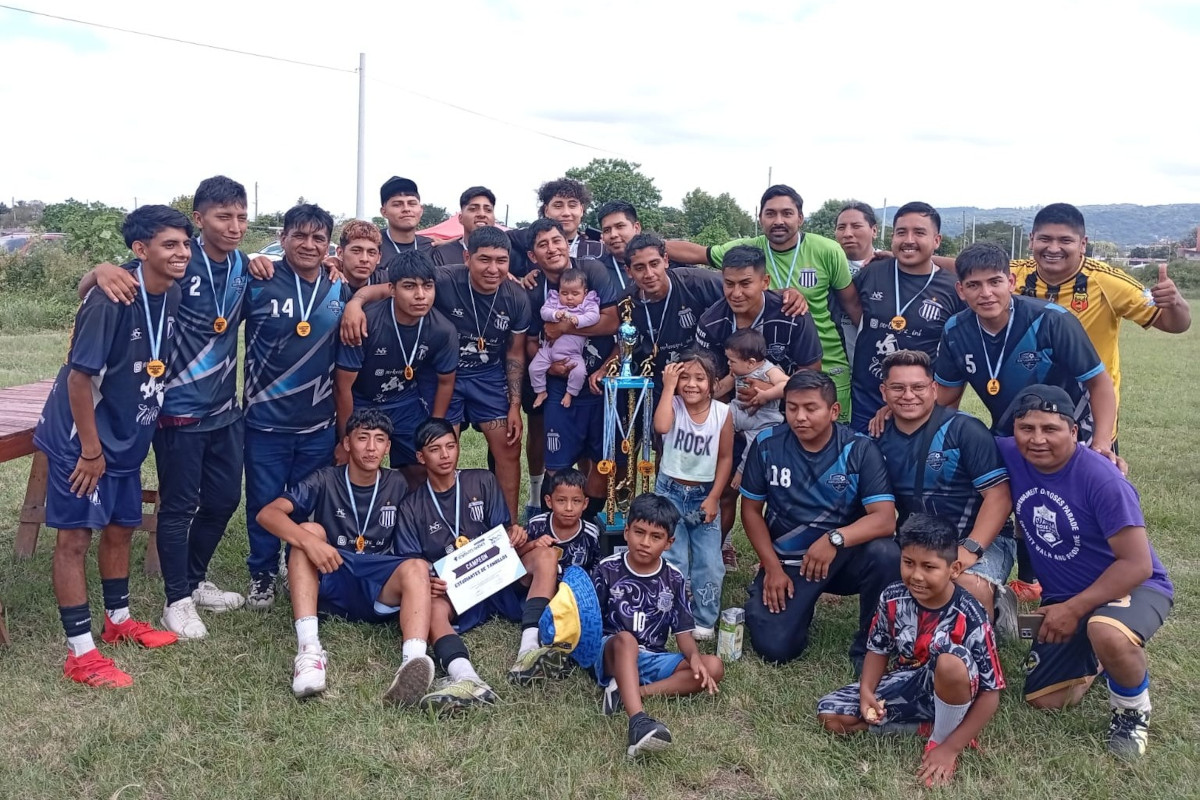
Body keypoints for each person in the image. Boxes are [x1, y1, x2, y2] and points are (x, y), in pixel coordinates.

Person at [80, 176, 260, 637]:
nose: (235, 225)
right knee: (179, 505)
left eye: (241, 215)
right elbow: (108, 279)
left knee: (224, 500)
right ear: (199, 219)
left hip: (225, 409)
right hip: (175, 409)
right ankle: (175, 600)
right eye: (223, 216)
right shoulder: (177, 256)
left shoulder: (245, 266)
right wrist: (99, 269)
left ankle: (195, 582)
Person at [36, 205, 190, 687]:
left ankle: (118, 621)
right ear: (140, 251)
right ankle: (80, 652)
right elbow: (80, 379)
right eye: (170, 244)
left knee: (122, 527)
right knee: (75, 538)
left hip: (127, 437)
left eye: (185, 243)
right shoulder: (112, 298)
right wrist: (90, 451)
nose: (182, 252)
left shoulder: (174, 292)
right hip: (82, 441)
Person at [998, 385, 1173, 760]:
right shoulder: (1010, 454)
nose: (1037, 439)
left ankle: (1131, 712)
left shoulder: (1103, 478)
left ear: (1075, 432)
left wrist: (1075, 610)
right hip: (1066, 597)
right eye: (1026, 428)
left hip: (1134, 586)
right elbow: (956, 433)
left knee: (1105, 630)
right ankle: (1098, 657)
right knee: (1046, 699)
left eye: (1051, 428)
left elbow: (1137, 564)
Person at [255, 409, 435, 704]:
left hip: (377, 584)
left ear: (388, 447)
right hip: (333, 572)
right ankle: (309, 651)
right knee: (308, 531)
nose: (371, 447)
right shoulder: (325, 478)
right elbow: (267, 514)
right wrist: (309, 542)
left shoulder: (399, 483)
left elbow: (422, 535)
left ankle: (412, 663)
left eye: (379, 440)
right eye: (362, 438)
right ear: (347, 443)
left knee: (416, 566)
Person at [816, 514, 1005, 788]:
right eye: (908, 563)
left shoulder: (971, 614)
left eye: (929, 567)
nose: (916, 575)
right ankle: (922, 727)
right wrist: (868, 692)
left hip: (959, 691)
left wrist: (951, 748)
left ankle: (942, 738)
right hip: (912, 683)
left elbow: (991, 693)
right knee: (831, 715)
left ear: (954, 569)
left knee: (950, 660)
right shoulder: (892, 597)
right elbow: (878, 649)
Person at [393, 419, 564, 710]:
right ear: (421, 457)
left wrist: (517, 534)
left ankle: (529, 649)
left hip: (498, 577)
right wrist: (429, 580)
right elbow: (414, 563)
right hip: (457, 592)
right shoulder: (411, 506)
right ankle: (466, 677)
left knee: (546, 556)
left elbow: (504, 535)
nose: (445, 455)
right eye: (435, 449)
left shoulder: (482, 480)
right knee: (429, 607)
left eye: (450, 446)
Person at [739, 371, 898, 669]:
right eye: (792, 407)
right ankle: (781, 598)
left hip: (843, 559)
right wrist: (772, 567)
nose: (800, 417)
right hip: (790, 563)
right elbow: (750, 511)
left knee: (887, 553)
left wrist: (833, 539)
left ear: (833, 411)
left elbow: (885, 520)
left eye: (811, 408)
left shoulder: (859, 449)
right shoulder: (766, 444)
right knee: (775, 648)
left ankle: (871, 643)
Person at [667, 185, 861, 420]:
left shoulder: (828, 250)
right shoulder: (746, 251)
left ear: (801, 218)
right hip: (766, 359)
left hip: (824, 362)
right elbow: (699, 252)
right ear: (760, 219)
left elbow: (852, 306)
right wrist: (637, 246)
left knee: (828, 437)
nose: (778, 220)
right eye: (770, 214)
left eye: (787, 213)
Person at [242, 203, 350, 610]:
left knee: (307, 501)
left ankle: (296, 563)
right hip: (264, 420)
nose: (309, 245)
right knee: (264, 499)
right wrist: (252, 260)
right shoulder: (258, 281)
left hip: (318, 423)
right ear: (282, 238)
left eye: (318, 238)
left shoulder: (339, 288)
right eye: (299, 236)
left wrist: (355, 303)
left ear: (328, 244)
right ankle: (262, 573)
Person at [1010, 202, 1191, 442]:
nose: (1053, 248)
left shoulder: (1108, 281)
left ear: (1082, 244)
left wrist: (1176, 303)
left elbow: (1174, 324)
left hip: (1090, 406)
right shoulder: (1011, 275)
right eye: (1045, 239)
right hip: (1028, 405)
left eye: (1065, 240)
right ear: (1032, 240)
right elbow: (964, 269)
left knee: (1093, 473)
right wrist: (939, 255)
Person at [693, 244, 823, 564]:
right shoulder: (712, 322)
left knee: (783, 492)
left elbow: (811, 371)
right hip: (730, 413)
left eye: (745, 283)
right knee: (723, 490)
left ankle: (790, 558)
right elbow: (710, 379)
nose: (735, 293)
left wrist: (768, 391)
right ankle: (715, 552)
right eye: (729, 283)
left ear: (765, 282)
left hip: (784, 418)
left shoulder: (791, 314)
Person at [873, 350, 1015, 625]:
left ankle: (993, 611)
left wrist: (969, 550)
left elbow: (999, 497)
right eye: (898, 388)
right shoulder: (878, 434)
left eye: (918, 387)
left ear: (934, 389)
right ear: (884, 392)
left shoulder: (965, 430)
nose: (908, 395)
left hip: (979, 540)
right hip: (916, 543)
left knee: (964, 584)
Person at [933, 242, 1117, 451]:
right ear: (961, 290)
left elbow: (1099, 383)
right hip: (1010, 437)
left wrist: (1102, 444)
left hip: (1072, 437)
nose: (986, 293)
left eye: (995, 282)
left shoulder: (1052, 321)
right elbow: (946, 395)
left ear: (1011, 282)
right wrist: (905, 406)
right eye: (974, 285)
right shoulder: (956, 330)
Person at [591, 494, 724, 757]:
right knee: (626, 639)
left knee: (713, 666)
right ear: (626, 532)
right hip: (612, 653)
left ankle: (632, 692)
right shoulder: (607, 569)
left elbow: (683, 633)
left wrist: (694, 658)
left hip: (653, 657)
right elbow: (590, 621)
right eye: (639, 532)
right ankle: (638, 721)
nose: (645, 542)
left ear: (668, 543)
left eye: (655, 537)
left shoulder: (674, 578)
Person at [334, 249, 457, 482]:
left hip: (404, 402)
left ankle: (410, 514)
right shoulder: (365, 322)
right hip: (361, 401)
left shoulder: (443, 329)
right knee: (357, 467)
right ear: (391, 289)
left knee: (423, 466)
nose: (420, 295)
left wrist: (433, 431)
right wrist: (345, 439)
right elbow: (343, 387)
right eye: (409, 286)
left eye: (427, 286)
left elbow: (445, 382)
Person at [851, 203, 963, 432]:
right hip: (866, 399)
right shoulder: (871, 273)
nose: (909, 240)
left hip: (917, 403)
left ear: (937, 240)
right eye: (901, 232)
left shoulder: (952, 288)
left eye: (919, 233)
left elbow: (958, 360)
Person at [652, 349, 734, 637]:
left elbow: (725, 458)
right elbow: (660, 426)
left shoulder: (723, 413)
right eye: (684, 376)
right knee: (673, 556)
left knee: (709, 561)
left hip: (703, 496)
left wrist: (714, 497)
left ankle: (704, 619)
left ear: (713, 383)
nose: (691, 384)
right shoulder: (672, 404)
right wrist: (668, 387)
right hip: (669, 492)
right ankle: (671, 612)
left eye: (700, 378)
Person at [722, 328, 788, 489]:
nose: (728, 364)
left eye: (732, 361)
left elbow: (787, 384)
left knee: (754, 446)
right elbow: (723, 386)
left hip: (765, 419)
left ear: (751, 362)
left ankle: (741, 470)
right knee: (721, 417)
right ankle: (719, 460)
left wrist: (766, 395)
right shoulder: (738, 369)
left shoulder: (768, 370)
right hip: (739, 410)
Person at [530, 267, 601, 409]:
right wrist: (554, 314)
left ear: (585, 293)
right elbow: (544, 312)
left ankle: (570, 394)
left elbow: (594, 316)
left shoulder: (587, 304)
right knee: (534, 368)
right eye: (564, 293)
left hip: (572, 354)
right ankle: (541, 391)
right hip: (548, 351)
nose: (569, 298)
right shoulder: (555, 301)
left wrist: (578, 320)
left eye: (575, 293)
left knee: (580, 372)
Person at [831, 201, 887, 364]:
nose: (847, 233)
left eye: (856, 226)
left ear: (874, 230)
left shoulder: (890, 266)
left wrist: (896, 257)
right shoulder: (826, 266)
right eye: (841, 227)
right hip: (836, 361)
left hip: (878, 358)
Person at [523, 468, 601, 574]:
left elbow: (597, 571)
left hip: (574, 588)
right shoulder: (536, 525)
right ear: (549, 501)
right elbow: (516, 556)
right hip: (537, 583)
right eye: (561, 500)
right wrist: (533, 544)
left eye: (576, 501)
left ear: (585, 504)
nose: (569, 508)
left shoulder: (591, 534)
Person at [377, 176, 434, 276]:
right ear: (384, 212)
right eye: (397, 204)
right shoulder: (372, 245)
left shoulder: (432, 246)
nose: (406, 209)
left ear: (421, 210)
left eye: (412, 204)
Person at [432, 186, 496, 267]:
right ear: (460, 218)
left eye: (488, 210)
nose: (482, 214)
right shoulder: (443, 254)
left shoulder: (505, 254)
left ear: (494, 219)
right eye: (473, 209)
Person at [595, 200, 642, 293]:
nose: (613, 235)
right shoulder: (597, 272)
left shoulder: (658, 264)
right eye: (607, 230)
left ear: (636, 228)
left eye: (620, 226)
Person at [335, 220, 384, 289]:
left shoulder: (389, 282)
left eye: (371, 253)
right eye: (356, 251)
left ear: (379, 258)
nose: (364, 259)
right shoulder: (323, 282)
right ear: (340, 253)